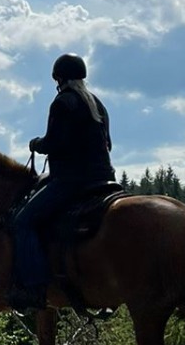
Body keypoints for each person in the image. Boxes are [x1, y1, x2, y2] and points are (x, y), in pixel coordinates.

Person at [8, 53, 114, 307]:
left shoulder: (63, 102)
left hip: (72, 181)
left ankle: (34, 287)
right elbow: (108, 143)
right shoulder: (97, 103)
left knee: (22, 222)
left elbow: (54, 143)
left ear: (59, 78)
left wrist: (36, 144)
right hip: (104, 179)